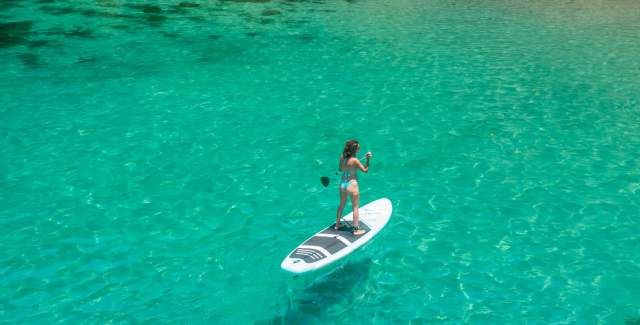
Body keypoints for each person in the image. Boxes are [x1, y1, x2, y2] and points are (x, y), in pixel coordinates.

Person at [335, 140, 372, 236]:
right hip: (352, 184)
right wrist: (368, 159)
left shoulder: (342, 156)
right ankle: (356, 230)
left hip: (342, 183)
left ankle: (337, 224)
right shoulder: (355, 160)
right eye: (358, 148)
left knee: (341, 204)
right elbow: (365, 170)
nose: (359, 149)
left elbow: (340, 169)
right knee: (355, 207)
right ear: (355, 150)